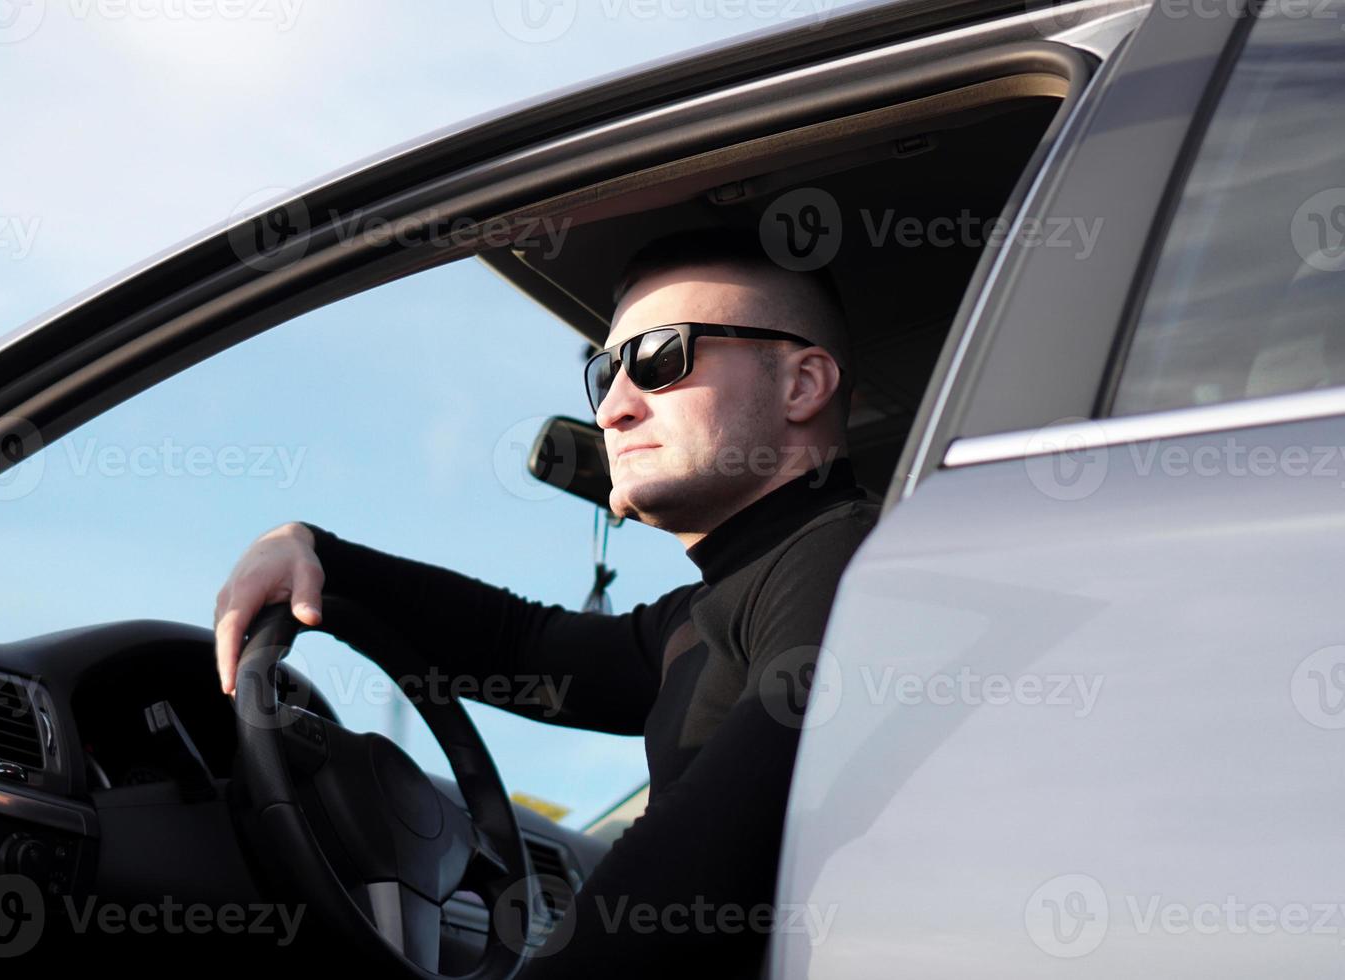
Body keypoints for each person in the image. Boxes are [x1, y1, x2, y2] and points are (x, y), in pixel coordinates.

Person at [212, 227, 879, 976]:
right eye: (605, 374)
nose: (614, 408)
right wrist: (319, 555)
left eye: (662, 358)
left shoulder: (851, 563)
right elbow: (524, 647)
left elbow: (708, 855)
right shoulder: (713, 610)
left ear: (803, 385)